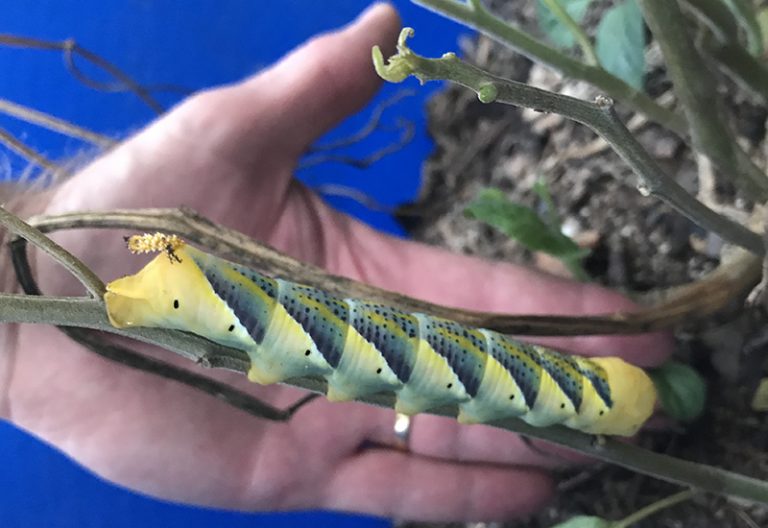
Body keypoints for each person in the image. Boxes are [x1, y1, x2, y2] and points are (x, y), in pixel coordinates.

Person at [0, 3, 671, 522]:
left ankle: (171, 286)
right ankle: (173, 286)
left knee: (388, 352)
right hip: (216, 304)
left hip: (222, 305)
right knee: (385, 352)